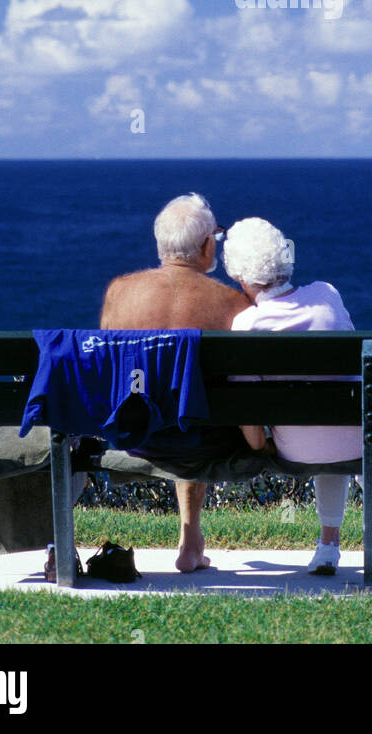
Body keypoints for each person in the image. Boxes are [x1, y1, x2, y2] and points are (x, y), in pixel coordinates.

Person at [99, 192, 266, 572]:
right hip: (205, 439)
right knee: (190, 405)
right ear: (207, 246)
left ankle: (191, 539)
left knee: (171, 401)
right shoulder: (236, 305)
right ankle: (190, 541)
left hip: (137, 436)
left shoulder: (119, 293)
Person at [224, 217, 363, 576]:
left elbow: (247, 411)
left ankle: (328, 546)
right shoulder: (327, 294)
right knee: (333, 418)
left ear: (240, 276)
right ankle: (329, 544)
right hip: (356, 441)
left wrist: (260, 447)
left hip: (296, 451)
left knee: (313, 427)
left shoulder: (248, 325)